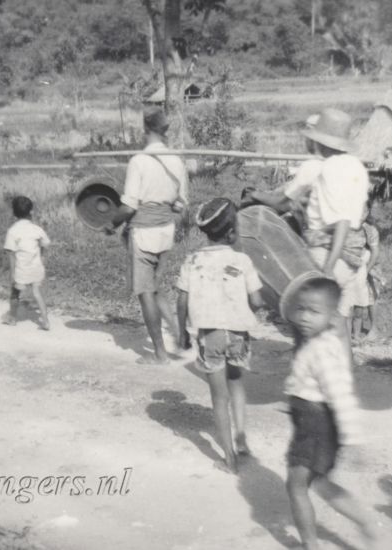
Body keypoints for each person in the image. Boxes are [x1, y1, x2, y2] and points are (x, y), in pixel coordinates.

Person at [282, 276, 382, 550]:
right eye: (301, 309)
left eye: (314, 312)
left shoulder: (323, 351)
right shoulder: (320, 342)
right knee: (320, 482)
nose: (304, 317)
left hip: (316, 426)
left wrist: (353, 439)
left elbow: (342, 397)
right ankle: (362, 520)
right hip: (313, 423)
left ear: (333, 316)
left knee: (296, 485)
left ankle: (310, 545)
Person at [245, 109, 370, 325]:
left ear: (321, 141)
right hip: (354, 253)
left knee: (311, 323)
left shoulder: (326, 168)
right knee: (339, 320)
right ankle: (344, 358)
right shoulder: (356, 166)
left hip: (328, 252)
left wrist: (328, 269)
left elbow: (341, 221)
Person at [175, 198, 263, 473]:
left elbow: (181, 300)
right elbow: (257, 301)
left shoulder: (192, 260)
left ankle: (229, 459)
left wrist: (182, 332)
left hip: (209, 335)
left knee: (218, 397)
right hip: (238, 334)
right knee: (236, 384)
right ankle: (242, 440)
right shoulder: (243, 260)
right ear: (232, 232)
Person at [103, 108, 188, 365]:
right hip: (166, 231)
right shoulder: (176, 159)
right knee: (155, 285)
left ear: (145, 129)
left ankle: (160, 354)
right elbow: (181, 204)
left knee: (145, 292)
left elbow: (128, 207)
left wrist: (111, 223)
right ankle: (177, 333)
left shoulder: (138, 161)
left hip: (144, 233)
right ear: (165, 130)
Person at [3, 196, 51, 330]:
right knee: (37, 293)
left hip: (21, 270)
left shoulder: (12, 231)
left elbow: (11, 254)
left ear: (14, 213)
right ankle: (46, 321)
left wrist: (12, 274)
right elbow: (45, 244)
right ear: (31, 212)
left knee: (15, 293)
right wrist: (42, 257)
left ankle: (12, 318)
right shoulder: (37, 229)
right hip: (36, 267)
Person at [350, 208, 380, 342]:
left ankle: (374, 329)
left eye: (363, 212)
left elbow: (375, 252)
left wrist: (367, 270)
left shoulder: (370, 229)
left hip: (368, 262)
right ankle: (352, 330)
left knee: (370, 296)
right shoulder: (347, 225)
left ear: (367, 213)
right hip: (352, 262)